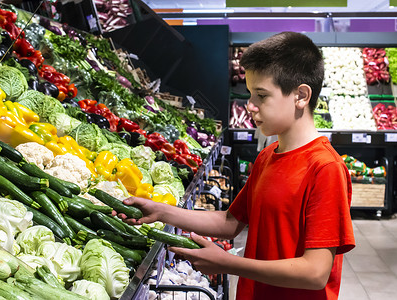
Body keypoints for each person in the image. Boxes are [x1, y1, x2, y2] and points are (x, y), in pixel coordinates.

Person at [116, 32, 355, 300]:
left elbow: (315, 273)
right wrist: (161, 212)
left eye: (261, 96)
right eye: (250, 94)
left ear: (301, 95)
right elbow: (231, 222)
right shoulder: (267, 157)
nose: (250, 106)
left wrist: (227, 263)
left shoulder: (325, 168)